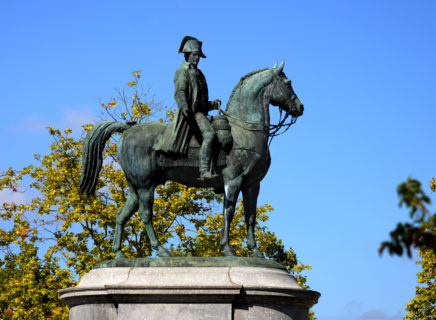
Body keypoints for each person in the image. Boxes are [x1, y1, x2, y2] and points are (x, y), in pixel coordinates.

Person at [157, 36, 221, 181]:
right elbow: (180, 92)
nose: (197, 58)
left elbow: (201, 101)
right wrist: (184, 105)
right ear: (187, 55)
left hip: (200, 112)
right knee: (210, 135)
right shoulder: (182, 72)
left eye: (199, 55)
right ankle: (204, 170)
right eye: (194, 55)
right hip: (192, 113)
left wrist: (212, 104)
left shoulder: (200, 74)